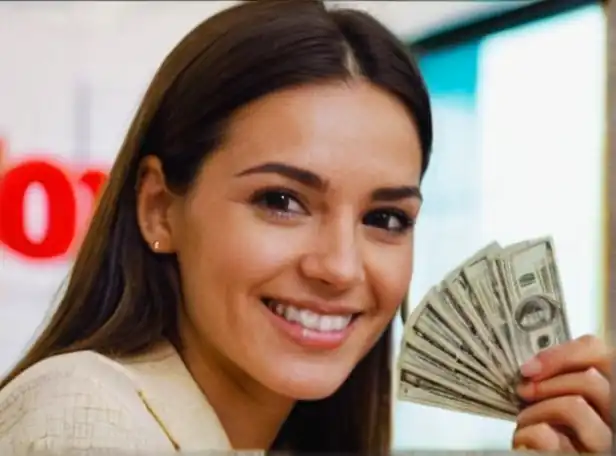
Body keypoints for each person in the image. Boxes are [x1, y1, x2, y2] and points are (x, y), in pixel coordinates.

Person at [0, 0, 611, 453]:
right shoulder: (78, 417)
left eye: (385, 217)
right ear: (160, 208)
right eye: (282, 200)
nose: (340, 266)